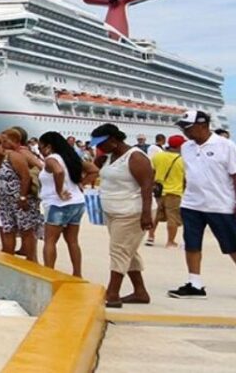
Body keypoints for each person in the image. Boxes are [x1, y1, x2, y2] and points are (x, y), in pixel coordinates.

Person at [167, 111, 236, 299]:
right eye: (182, 128)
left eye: (187, 128)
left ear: (203, 125)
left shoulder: (226, 146)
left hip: (220, 204)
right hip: (192, 204)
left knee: (232, 245)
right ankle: (195, 284)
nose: (185, 132)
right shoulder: (186, 147)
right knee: (192, 243)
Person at [92, 123, 154, 308]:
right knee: (128, 251)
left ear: (114, 140)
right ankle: (140, 292)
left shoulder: (135, 157)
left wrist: (146, 214)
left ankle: (113, 293)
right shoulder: (110, 157)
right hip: (113, 211)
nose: (98, 147)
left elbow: (147, 186)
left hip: (131, 212)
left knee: (118, 251)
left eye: (101, 143)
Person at [38, 131, 98, 277]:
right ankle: (77, 273)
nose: (40, 151)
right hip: (77, 202)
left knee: (50, 241)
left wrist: (59, 191)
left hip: (57, 204)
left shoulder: (52, 159)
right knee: (72, 241)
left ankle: (49, 273)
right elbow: (94, 170)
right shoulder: (70, 157)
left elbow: (58, 172)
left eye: (41, 147)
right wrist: (81, 184)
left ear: (48, 146)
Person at [0, 132, 43, 261]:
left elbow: (25, 177)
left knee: (26, 230)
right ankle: (10, 261)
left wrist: (22, 197)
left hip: (20, 201)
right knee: (7, 230)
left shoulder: (13, 157)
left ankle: (32, 261)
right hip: (4, 203)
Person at [149, 135, 186, 248]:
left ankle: (150, 237)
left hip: (158, 191)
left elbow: (151, 172)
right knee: (172, 218)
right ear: (180, 146)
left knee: (155, 216)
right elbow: (186, 179)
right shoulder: (183, 160)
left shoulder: (158, 157)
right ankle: (170, 241)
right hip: (174, 193)